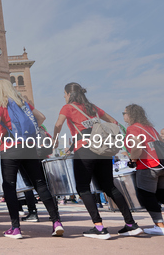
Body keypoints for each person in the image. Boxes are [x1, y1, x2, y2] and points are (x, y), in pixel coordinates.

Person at [52, 82, 142, 239]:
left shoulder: (68, 107)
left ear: (69, 94)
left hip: (85, 149)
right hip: (102, 149)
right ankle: (131, 224)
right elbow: (113, 122)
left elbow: (58, 124)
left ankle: (99, 227)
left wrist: (55, 139)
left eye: (65, 94)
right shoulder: (92, 107)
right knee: (109, 186)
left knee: (83, 188)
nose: (64, 97)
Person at [0, 79, 63, 239]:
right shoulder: (22, 103)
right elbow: (42, 117)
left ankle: (15, 228)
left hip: (10, 149)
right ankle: (56, 222)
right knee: (40, 184)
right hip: (29, 147)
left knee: (9, 187)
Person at [123, 104, 164, 235]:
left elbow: (137, 147)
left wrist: (133, 159)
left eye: (124, 113)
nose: (123, 115)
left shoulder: (133, 128)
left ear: (130, 114)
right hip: (161, 164)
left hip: (147, 166)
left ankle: (159, 225)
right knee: (161, 194)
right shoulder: (150, 128)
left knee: (147, 196)